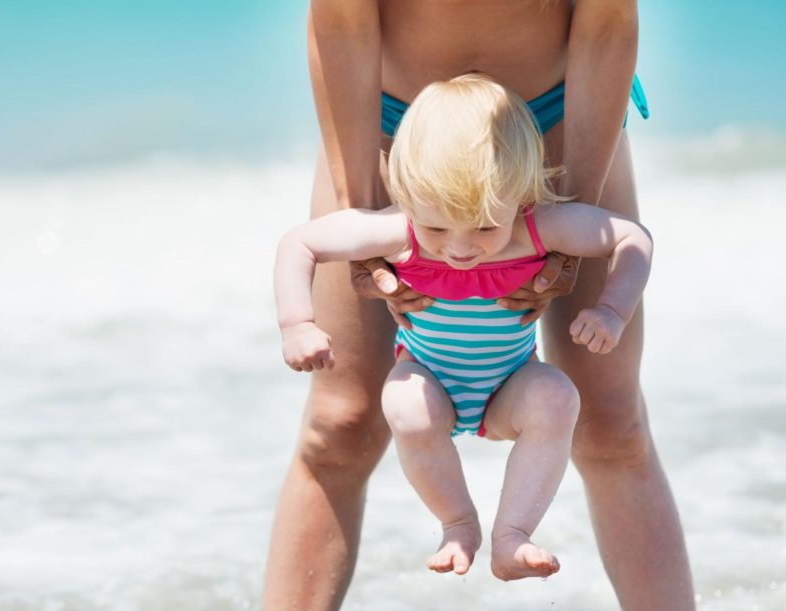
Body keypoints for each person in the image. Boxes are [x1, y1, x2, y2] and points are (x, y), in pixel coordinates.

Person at [260, 2, 712, 611]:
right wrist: (362, 222)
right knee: (341, 421)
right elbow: (340, 24)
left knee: (610, 422)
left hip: (562, 115)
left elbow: (604, 25)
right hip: (392, 123)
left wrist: (568, 226)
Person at [275, 74, 653, 583]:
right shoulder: (399, 227)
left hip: (510, 385)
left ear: (520, 198)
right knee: (403, 405)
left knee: (558, 396)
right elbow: (300, 243)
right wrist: (297, 322)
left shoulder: (538, 227)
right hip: (428, 381)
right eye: (435, 227)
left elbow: (632, 237)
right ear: (407, 196)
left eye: (482, 227)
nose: (457, 247)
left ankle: (512, 535)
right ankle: (457, 523)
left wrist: (614, 309)